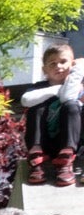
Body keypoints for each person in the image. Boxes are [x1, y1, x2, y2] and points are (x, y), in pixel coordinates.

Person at [23, 42, 82, 187]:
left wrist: (78, 71)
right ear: (45, 70)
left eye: (63, 61)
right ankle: (36, 156)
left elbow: (68, 97)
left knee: (72, 105)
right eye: (52, 63)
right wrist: (57, 89)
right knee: (36, 107)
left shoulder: (79, 86)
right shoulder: (39, 87)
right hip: (46, 143)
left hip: (73, 143)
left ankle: (66, 160)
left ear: (72, 64)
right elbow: (25, 100)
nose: (58, 66)